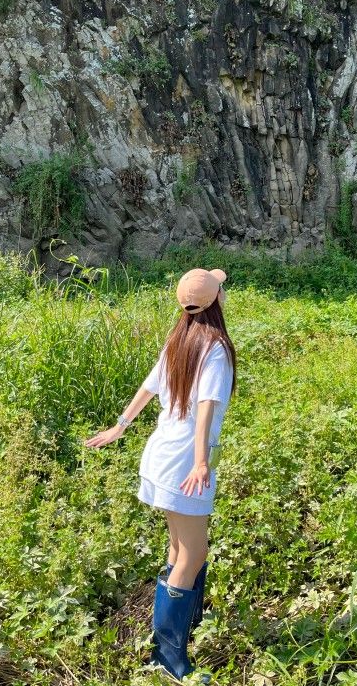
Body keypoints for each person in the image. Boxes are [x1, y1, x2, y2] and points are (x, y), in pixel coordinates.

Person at [85, 267, 237, 681]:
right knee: (194, 552)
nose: (223, 293)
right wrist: (201, 459)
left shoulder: (179, 339)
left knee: (179, 548)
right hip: (185, 462)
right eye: (220, 288)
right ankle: (168, 657)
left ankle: (180, 631)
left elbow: (148, 388)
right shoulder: (216, 347)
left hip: (160, 456)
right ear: (216, 299)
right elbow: (207, 404)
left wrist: (121, 424)